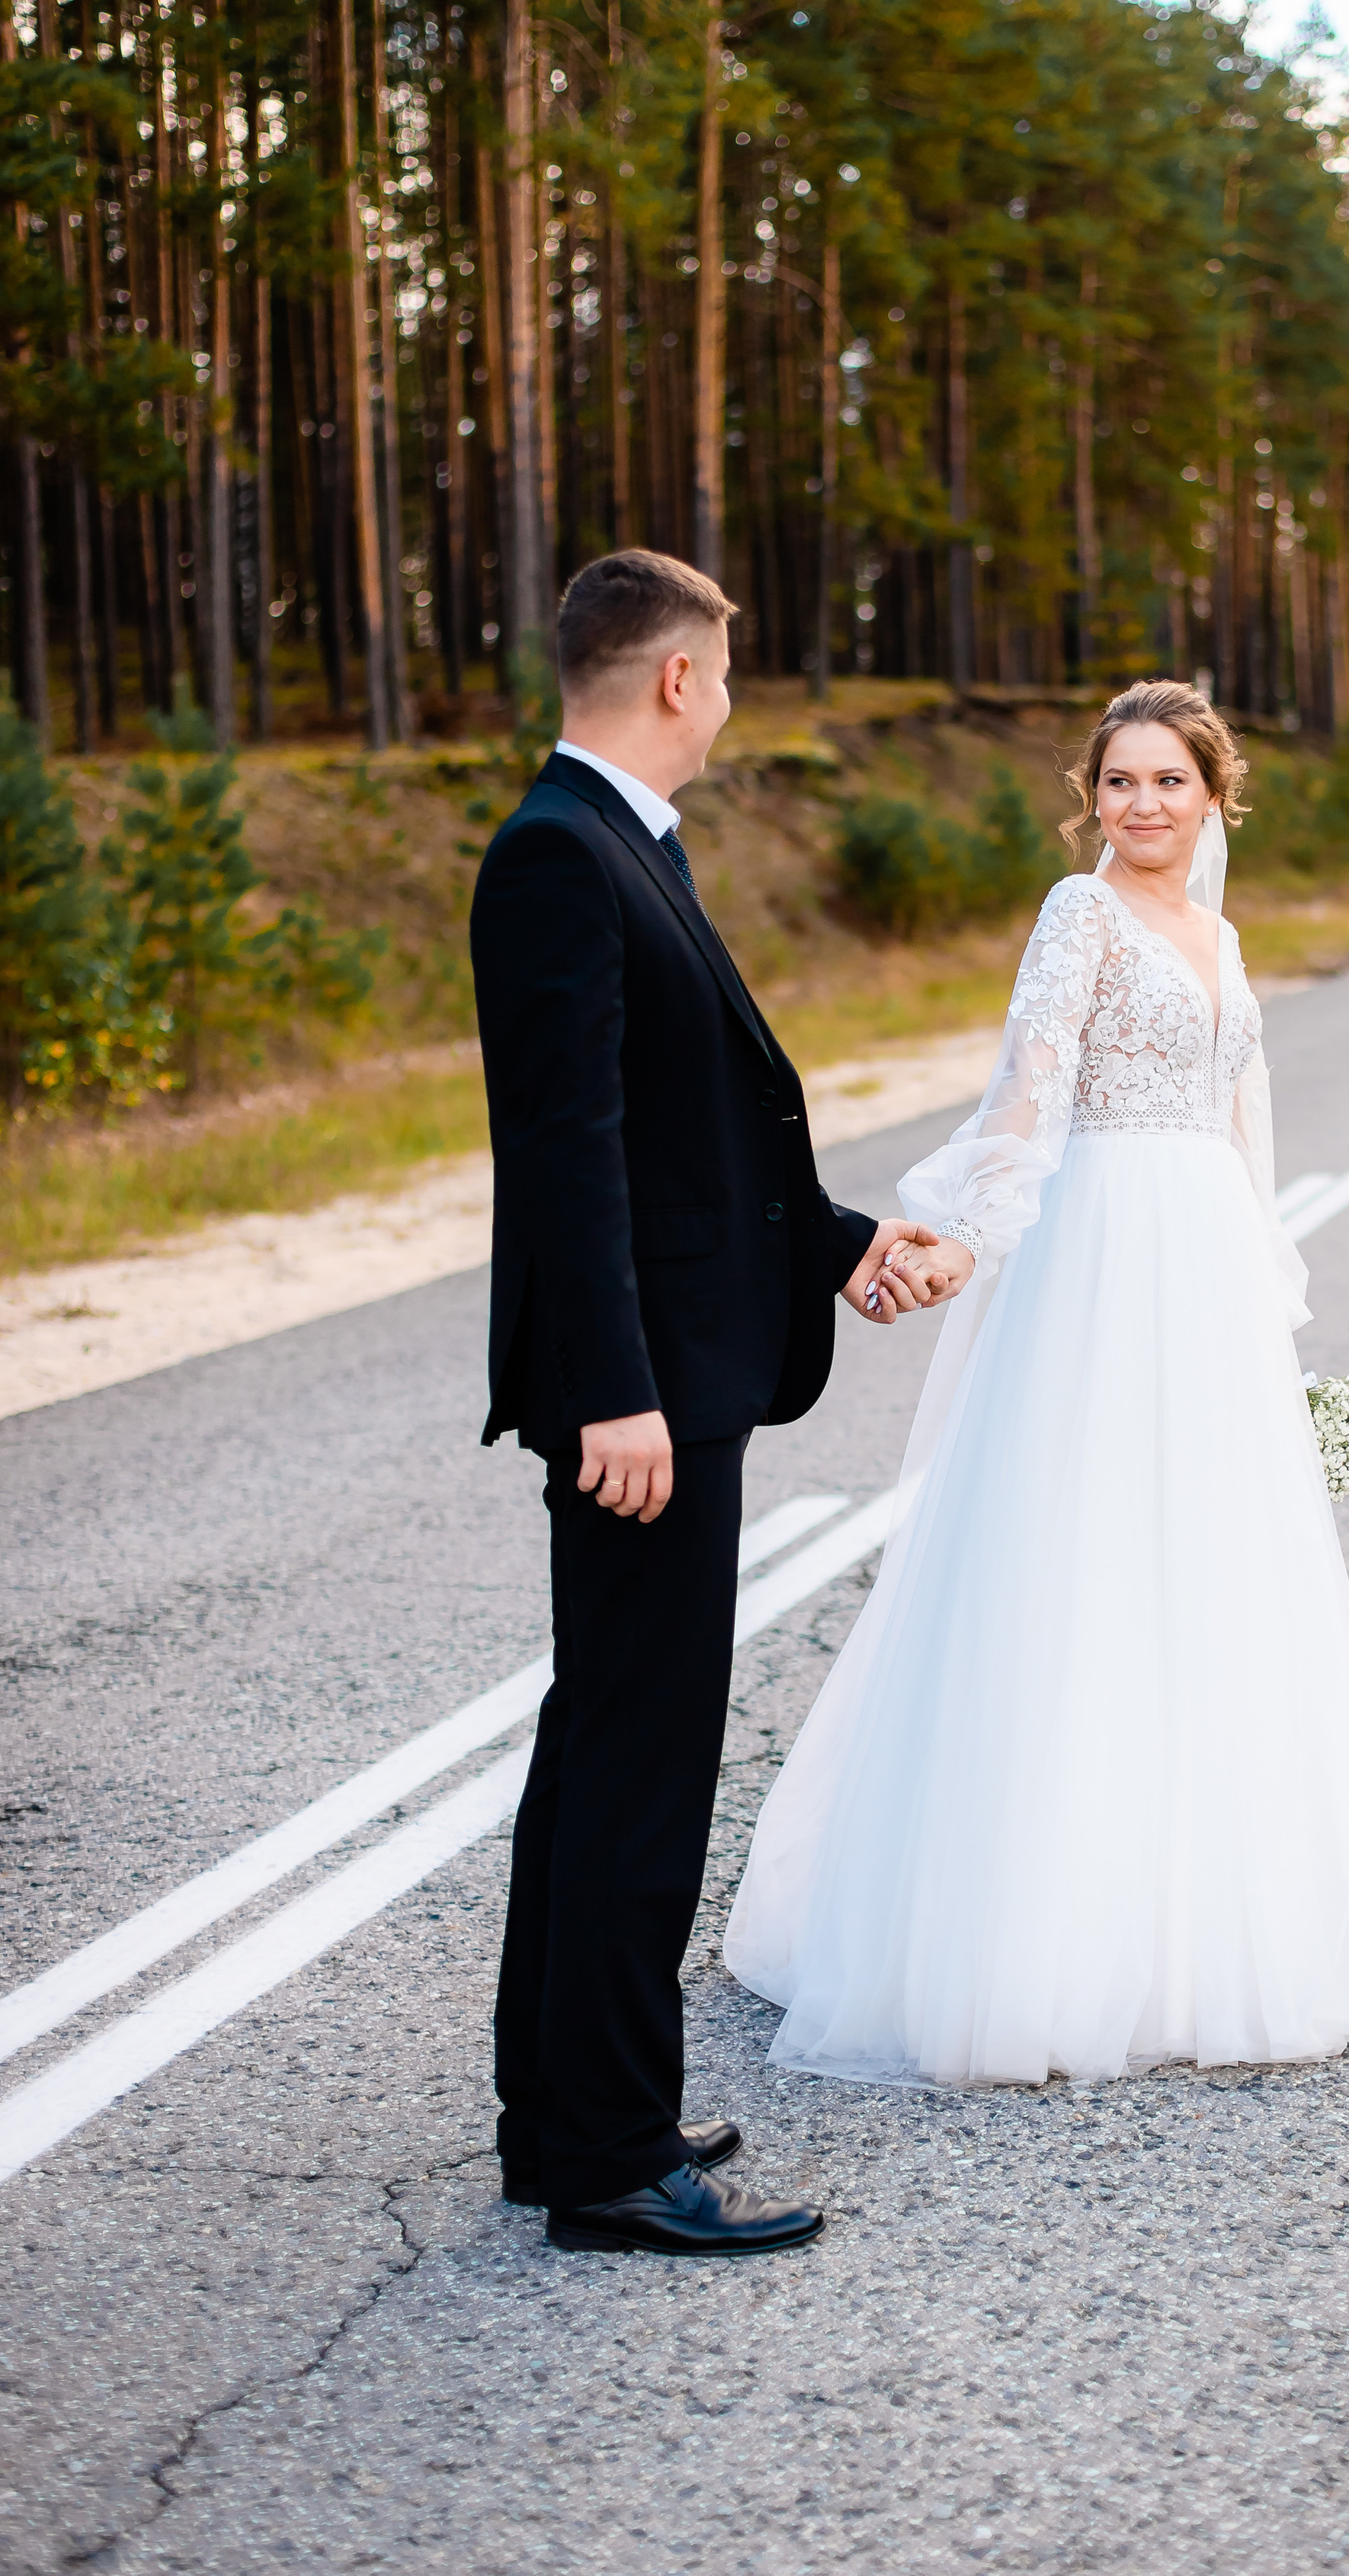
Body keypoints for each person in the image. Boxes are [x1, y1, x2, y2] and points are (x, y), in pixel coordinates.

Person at [724, 679, 1349, 2086]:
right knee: (1074, 1557)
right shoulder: (1080, 917)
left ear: (1215, 796)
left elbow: (1246, 1127)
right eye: (1119, 782)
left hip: (1204, 1271)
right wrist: (960, 1235)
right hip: (1099, 1252)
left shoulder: (1224, 936)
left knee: (1207, 1573)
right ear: (1093, 798)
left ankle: (1206, 1929)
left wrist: (1269, 1296)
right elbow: (1032, 1086)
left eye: (1169, 783)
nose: (1142, 806)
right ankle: (1032, 1939)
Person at [470, 549, 944, 2256]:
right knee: (637, 1759)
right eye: (725, 676)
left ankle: (576, 2111)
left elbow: (690, 1139)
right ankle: (603, 2159)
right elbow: (568, 1156)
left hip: (678, 1373)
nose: (729, 704)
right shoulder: (556, 855)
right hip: (639, 1401)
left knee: (609, 1740)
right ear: (676, 679)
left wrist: (837, 1246)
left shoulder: (622, 847)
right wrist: (611, 1393)